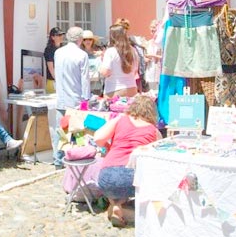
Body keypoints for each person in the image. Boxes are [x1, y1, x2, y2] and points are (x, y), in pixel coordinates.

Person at [94, 95, 160, 227]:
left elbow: (98, 138)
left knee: (116, 185)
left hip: (105, 177)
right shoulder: (154, 131)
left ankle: (116, 205)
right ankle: (132, 210)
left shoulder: (120, 120)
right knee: (140, 178)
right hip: (131, 178)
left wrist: (109, 147)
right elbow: (157, 157)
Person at [53, 26, 90, 169]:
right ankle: (79, 156)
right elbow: (85, 80)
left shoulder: (58, 52)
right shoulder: (82, 55)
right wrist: (86, 99)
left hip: (61, 97)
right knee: (78, 130)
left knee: (61, 129)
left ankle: (58, 159)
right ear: (80, 39)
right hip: (76, 97)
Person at [99, 24, 139, 98]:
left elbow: (105, 72)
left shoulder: (110, 51)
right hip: (132, 88)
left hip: (114, 90)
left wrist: (100, 67)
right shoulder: (133, 50)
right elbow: (135, 70)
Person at [43, 27, 64, 94]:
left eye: (62, 35)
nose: (61, 37)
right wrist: (59, 81)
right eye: (58, 35)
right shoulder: (49, 50)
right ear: (52, 37)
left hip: (62, 82)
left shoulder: (62, 49)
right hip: (53, 82)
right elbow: (51, 69)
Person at [144, 19, 162, 91]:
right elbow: (145, 56)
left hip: (159, 72)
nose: (152, 29)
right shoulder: (148, 43)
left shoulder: (161, 43)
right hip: (150, 72)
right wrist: (145, 59)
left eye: (154, 27)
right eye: (151, 27)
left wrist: (152, 55)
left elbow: (164, 57)